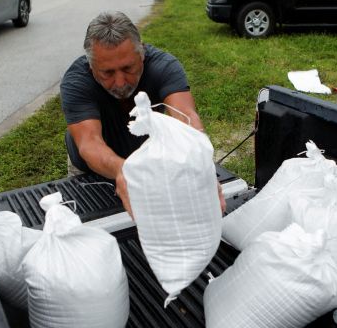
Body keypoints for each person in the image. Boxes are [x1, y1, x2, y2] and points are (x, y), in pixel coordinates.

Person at [60, 11, 222, 215]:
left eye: (128, 68)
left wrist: (200, 160)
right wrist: (122, 171)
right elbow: (90, 142)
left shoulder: (164, 67)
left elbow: (186, 117)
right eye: (107, 73)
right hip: (90, 170)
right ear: (92, 68)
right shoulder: (76, 81)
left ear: (142, 53)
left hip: (148, 164)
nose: (120, 83)